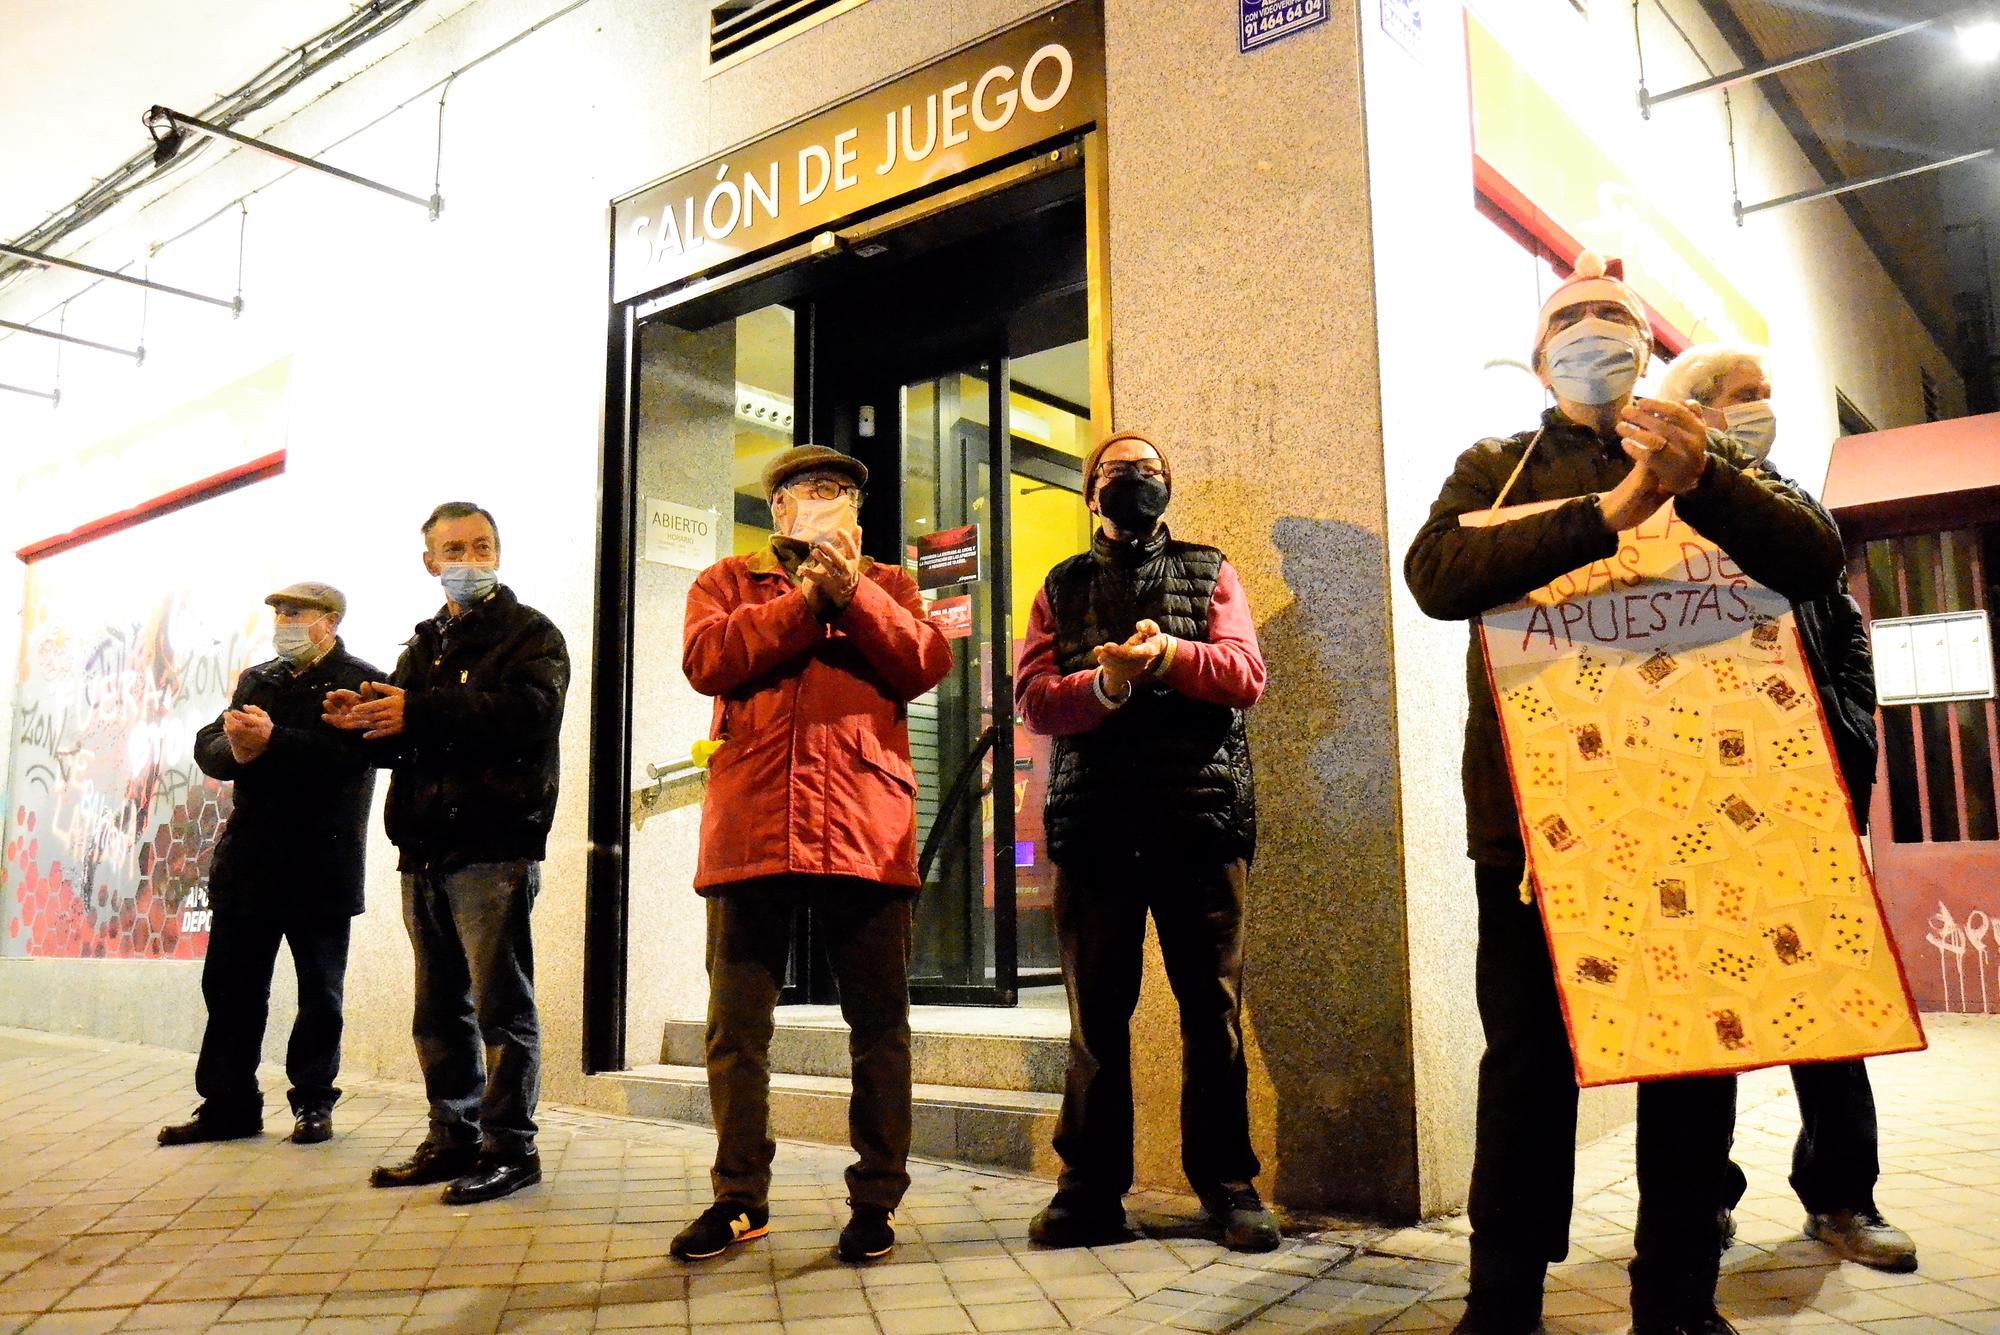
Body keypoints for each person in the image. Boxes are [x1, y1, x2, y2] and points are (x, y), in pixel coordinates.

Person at [1405, 253, 1847, 1335]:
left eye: (1611, 316)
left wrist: (1696, 481)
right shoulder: (1495, 466)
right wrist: (1611, 509)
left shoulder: (1706, 457)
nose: (1591, 330)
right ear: (1540, 349)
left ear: (1646, 348)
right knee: (1525, 1071)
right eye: (1570, 317)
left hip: (1688, 813)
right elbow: (1435, 577)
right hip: (1526, 829)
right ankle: (1502, 1297)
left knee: (1690, 1063)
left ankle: (1676, 1296)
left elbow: (1812, 563)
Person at [1660, 343, 1915, 1273]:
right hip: (1700, 800)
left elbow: (1844, 637)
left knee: (1827, 1009)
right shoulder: (1662, 503)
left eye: (1765, 395)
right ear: (1692, 408)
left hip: (1806, 795)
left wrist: (1849, 757)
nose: (1760, 408)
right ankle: (1703, 1200)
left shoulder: (1795, 504)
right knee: (1707, 1007)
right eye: (1740, 396)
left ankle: (1844, 1198)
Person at [671, 445, 952, 1266]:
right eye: (805, 490)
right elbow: (707, 660)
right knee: (736, 1028)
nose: (822, 500)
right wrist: (804, 603)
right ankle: (738, 1200)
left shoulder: (893, 583)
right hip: (751, 821)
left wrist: (853, 592)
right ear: (778, 510)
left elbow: (924, 661)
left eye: (838, 491)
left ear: (857, 514)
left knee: (878, 1024)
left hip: (863, 824)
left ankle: (875, 1201)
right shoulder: (726, 580)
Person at [1015, 430, 1276, 1254]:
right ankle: (1089, 1190)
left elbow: (1245, 673)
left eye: (1151, 471)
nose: (1137, 481)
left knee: (1213, 1014)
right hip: (1095, 834)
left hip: (1202, 826)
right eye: (1120, 471)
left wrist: (1167, 655)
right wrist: (1105, 683)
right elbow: (1035, 700)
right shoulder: (1060, 586)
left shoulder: (1212, 568)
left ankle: (1229, 1186)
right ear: (1091, 492)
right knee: (1097, 1020)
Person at [324, 502, 569, 1205]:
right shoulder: (425, 643)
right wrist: (362, 722)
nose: (469, 559)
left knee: (501, 1004)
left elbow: (528, 715)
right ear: (430, 561)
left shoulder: (531, 634)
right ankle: (451, 1134)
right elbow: (409, 740)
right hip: (425, 845)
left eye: (481, 545)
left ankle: (510, 1148)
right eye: (454, 549)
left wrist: (418, 711)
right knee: (438, 1007)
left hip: (496, 845)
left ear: (499, 552)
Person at [161, 582, 379, 1148]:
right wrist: (235, 749)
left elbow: (352, 758)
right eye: (279, 612)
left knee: (319, 995)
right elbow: (211, 741)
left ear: (329, 621)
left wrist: (273, 740)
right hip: (249, 866)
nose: (283, 621)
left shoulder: (363, 680)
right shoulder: (260, 678)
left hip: (321, 865)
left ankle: (313, 1103)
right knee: (231, 988)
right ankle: (228, 1103)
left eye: (295, 612)